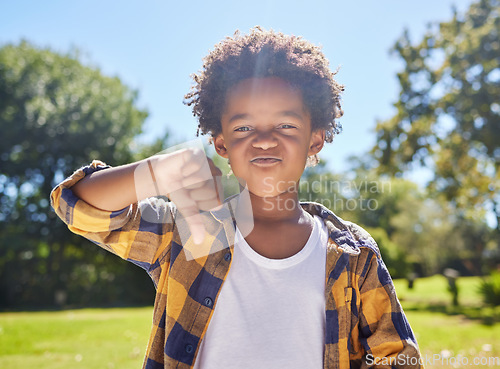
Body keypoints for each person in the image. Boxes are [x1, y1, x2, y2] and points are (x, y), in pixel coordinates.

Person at [50, 27, 423, 369]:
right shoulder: (192, 231)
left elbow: (399, 356)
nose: (263, 139)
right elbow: (79, 207)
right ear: (222, 144)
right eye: (244, 127)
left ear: (315, 139)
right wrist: (159, 171)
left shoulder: (352, 253)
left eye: (285, 125)